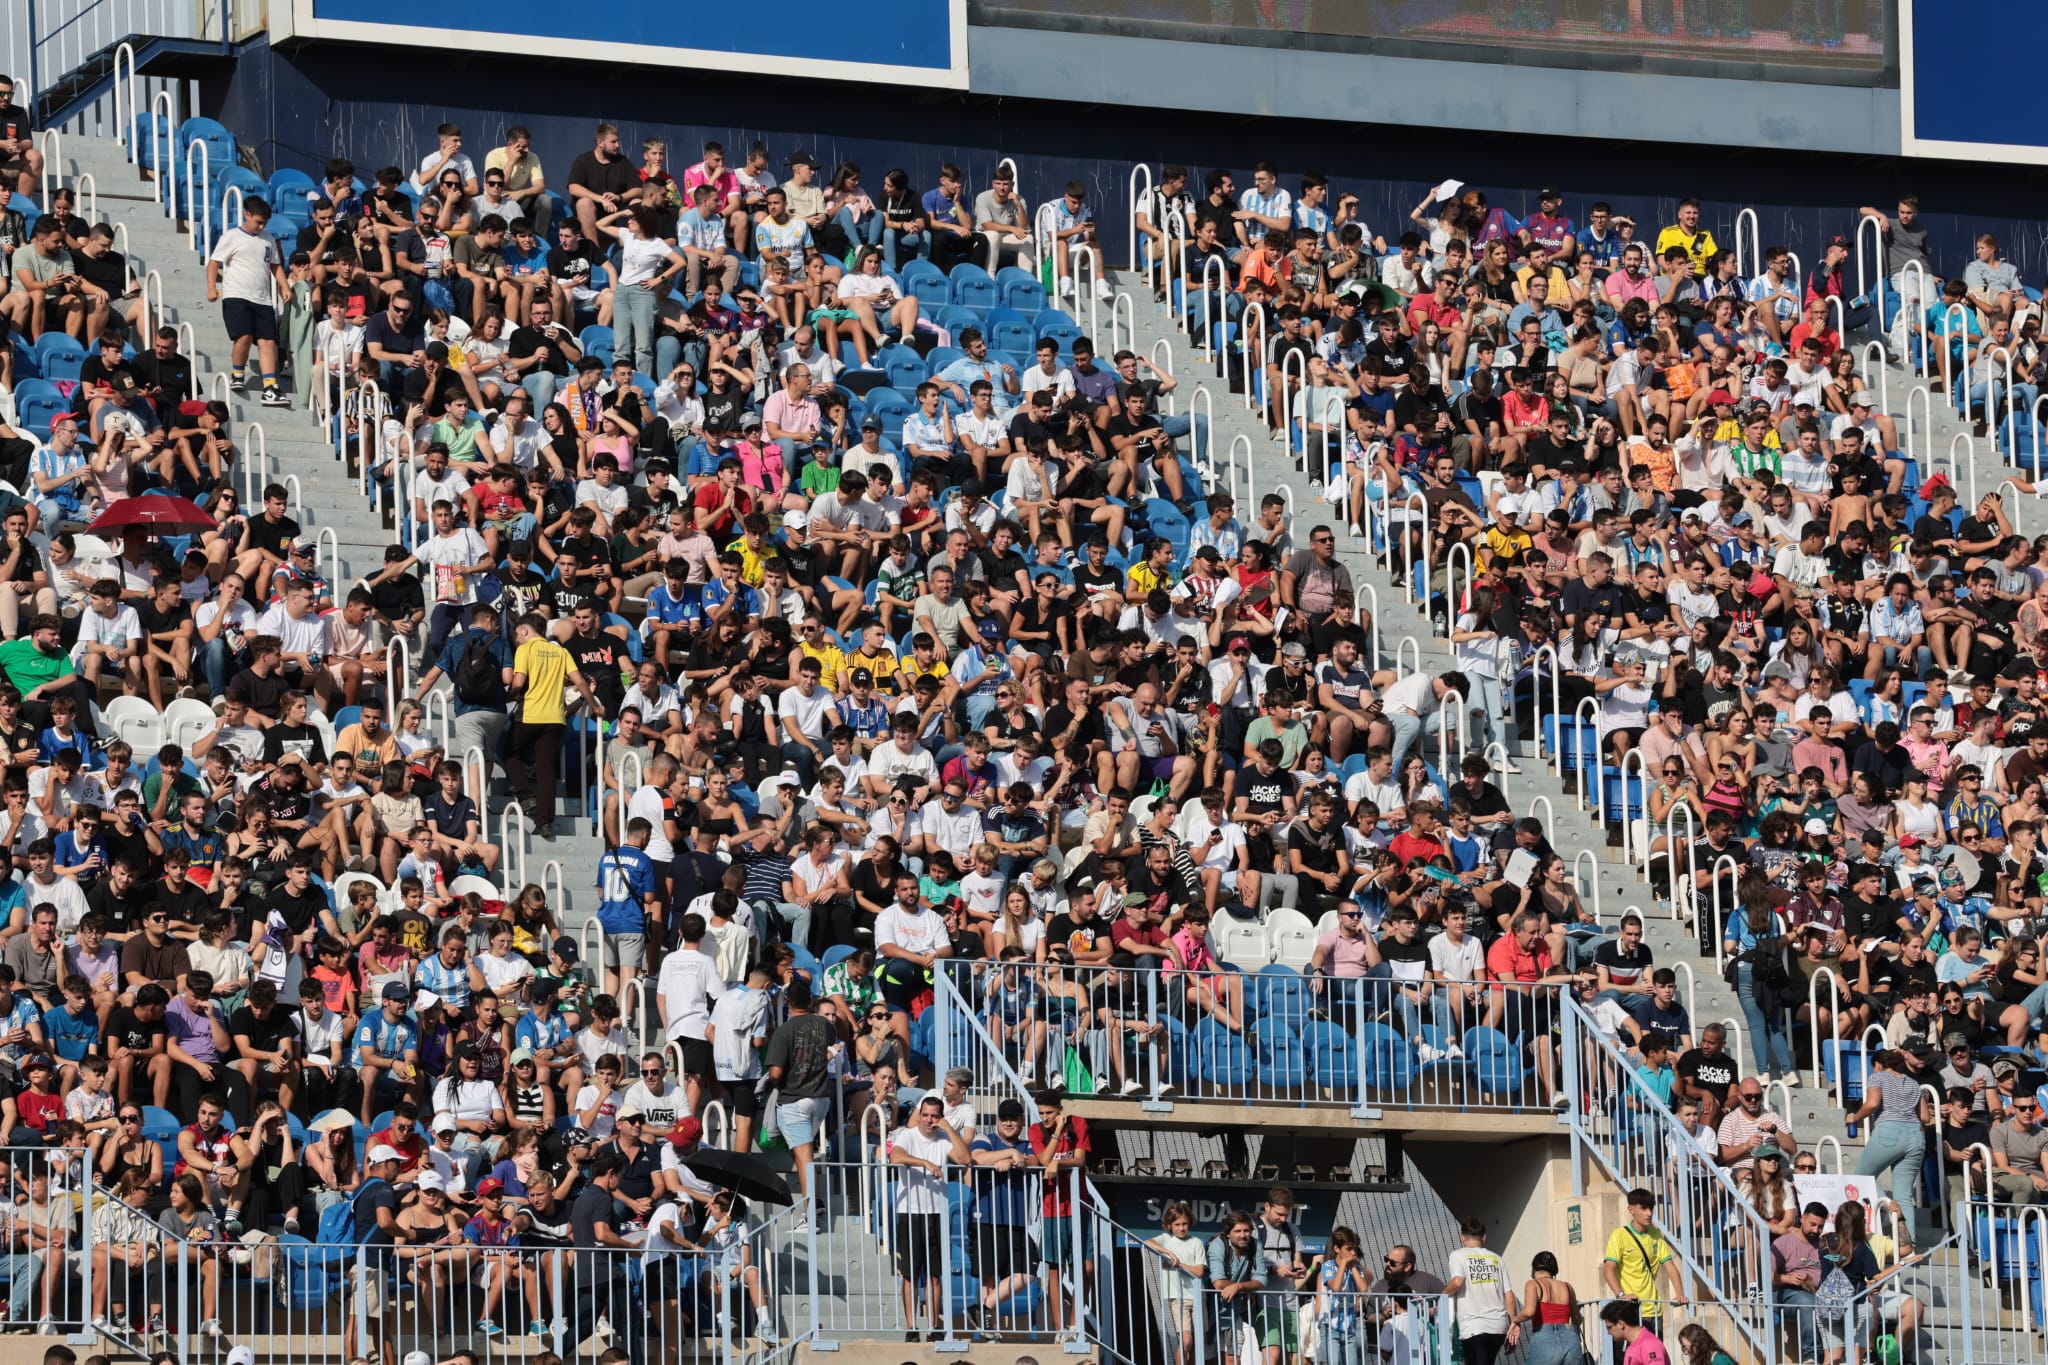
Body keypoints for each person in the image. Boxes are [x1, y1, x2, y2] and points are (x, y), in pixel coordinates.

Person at [887, 1093, 972, 1341]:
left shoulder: (944, 1137)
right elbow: (896, 1156)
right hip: (910, 1212)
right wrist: (923, 1162)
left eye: (934, 1116)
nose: (929, 1120)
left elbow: (965, 1159)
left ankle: (934, 1327)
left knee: (935, 1274)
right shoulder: (908, 1134)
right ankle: (912, 1327)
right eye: (925, 1115)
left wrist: (947, 1128)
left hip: (936, 1212)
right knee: (911, 1274)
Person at [1444, 1215, 1517, 1365]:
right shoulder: (1496, 1258)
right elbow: (1509, 1295)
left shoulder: (1458, 1255)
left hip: (1474, 1326)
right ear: (1484, 1237)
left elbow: (1457, 1281)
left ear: (1462, 1238)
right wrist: (1514, 1324)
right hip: (1499, 1326)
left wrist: (1442, 1295)